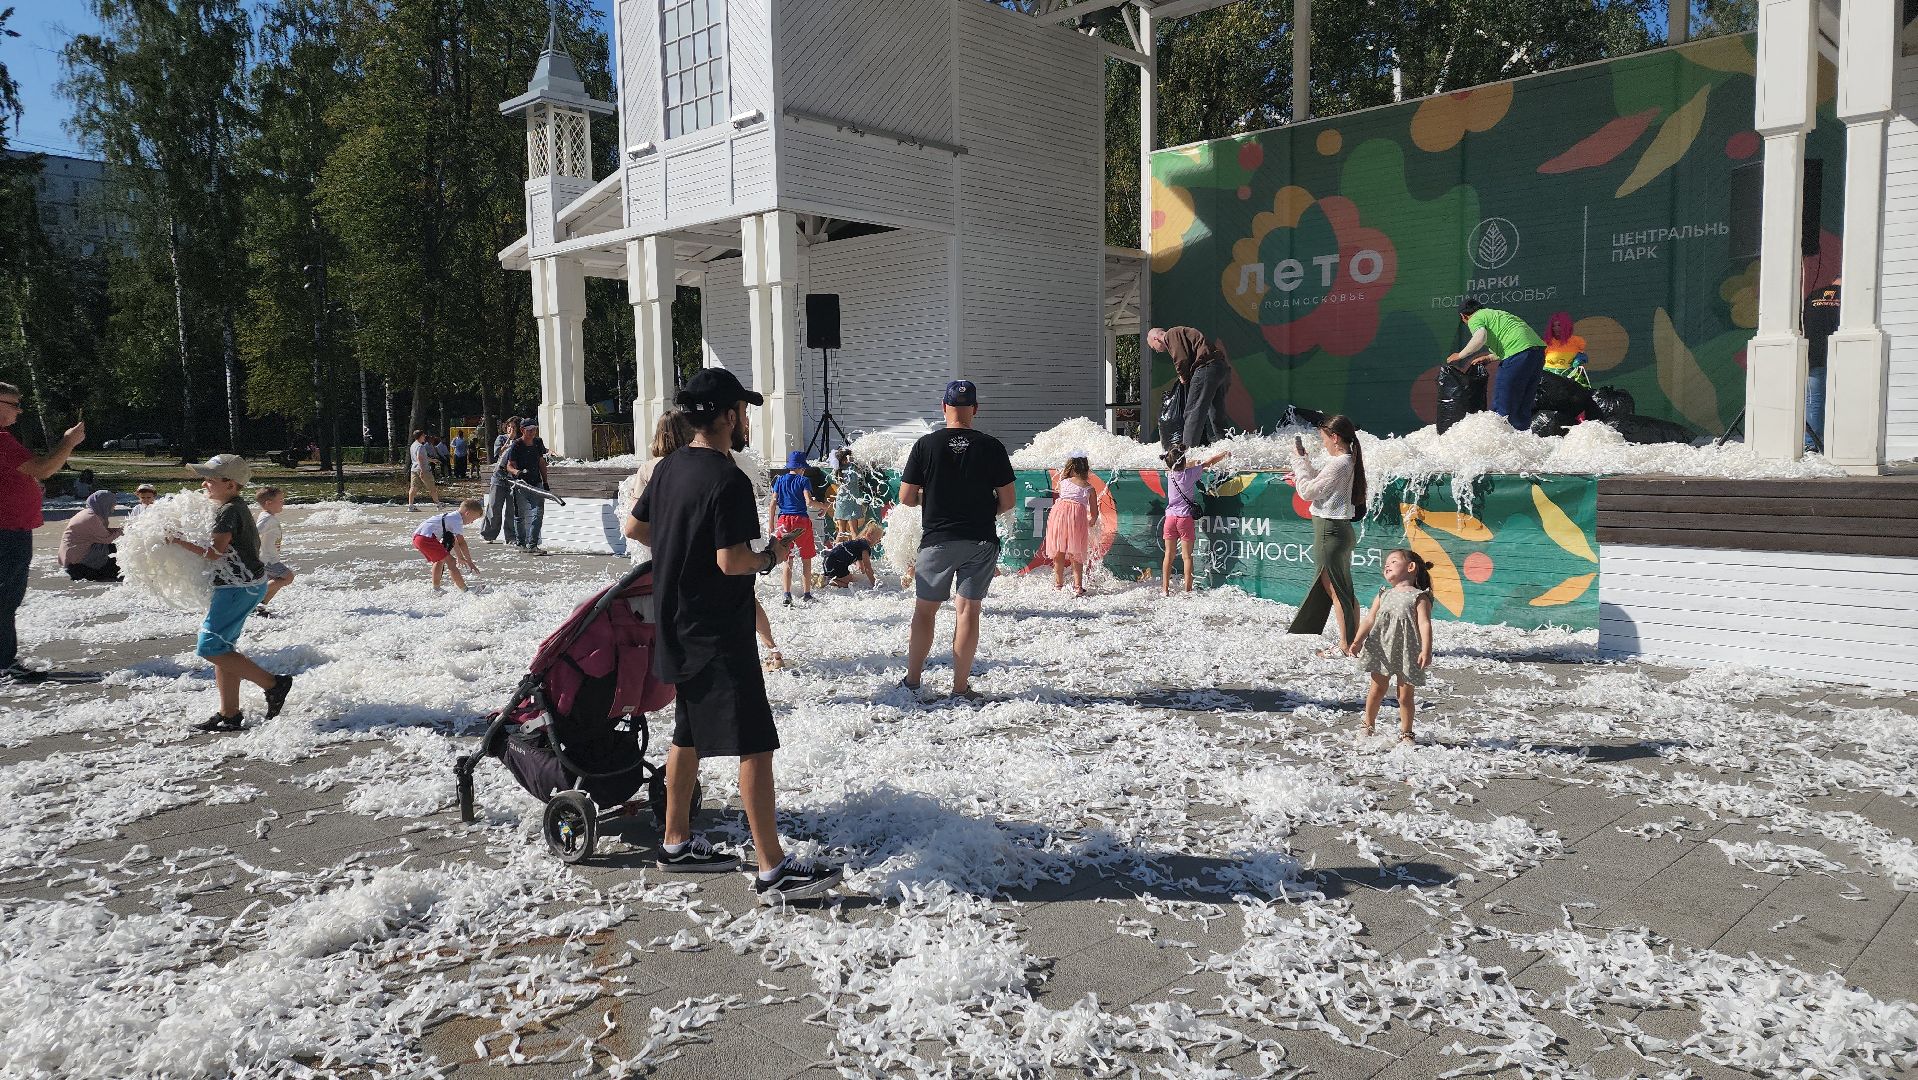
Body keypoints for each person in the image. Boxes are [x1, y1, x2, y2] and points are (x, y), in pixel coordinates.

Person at [629, 366, 842, 903]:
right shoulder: (728, 479)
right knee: (755, 743)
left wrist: (683, 538)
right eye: (742, 411)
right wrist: (773, 555)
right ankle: (773, 870)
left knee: (688, 734)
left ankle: (675, 841)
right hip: (719, 629)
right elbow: (732, 561)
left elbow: (635, 528)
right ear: (726, 416)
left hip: (674, 620)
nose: (745, 419)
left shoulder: (670, 467)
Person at [624, 411, 786, 670]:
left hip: (670, 562)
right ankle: (773, 649)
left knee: (668, 611)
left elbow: (632, 527)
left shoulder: (654, 469)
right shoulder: (720, 465)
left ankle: (664, 661)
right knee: (744, 601)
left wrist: (673, 544)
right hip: (725, 558)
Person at [899, 380, 1016, 703]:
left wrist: (935, 498)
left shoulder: (925, 445)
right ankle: (960, 687)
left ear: (943, 407)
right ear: (975, 409)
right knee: (968, 611)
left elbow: (906, 497)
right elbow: (1008, 501)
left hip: (938, 538)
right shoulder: (992, 446)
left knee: (925, 612)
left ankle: (912, 681)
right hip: (980, 539)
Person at [168, 455, 294, 732]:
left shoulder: (229, 511)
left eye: (211, 480)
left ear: (231, 484)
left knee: (210, 647)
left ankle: (274, 684)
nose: (205, 483)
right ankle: (229, 714)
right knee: (223, 649)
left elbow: (214, 553)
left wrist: (177, 540)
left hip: (239, 586)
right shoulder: (231, 506)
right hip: (240, 584)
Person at [0, 383, 85, 683]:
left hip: (11, 528)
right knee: (6, 597)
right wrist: (68, 442)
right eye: (13, 403)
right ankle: (4, 662)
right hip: (8, 531)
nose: (19, 410)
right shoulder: (2, 441)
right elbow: (45, 468)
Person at [1285, 415, 1367, 658]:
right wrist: (1304, 463)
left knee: (1338, 592)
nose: (1323, 444)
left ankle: (1346, 645)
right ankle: (1352, 641)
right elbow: (1320, 484)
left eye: (1324, 439)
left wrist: (1298, 463)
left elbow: (1308, 491)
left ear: (1335, 438)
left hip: (1329, 531)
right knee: (1344, 590)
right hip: (1338, 530)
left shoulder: (1339, 463)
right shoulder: (1348, 460)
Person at [1346, 549, 1435, 744]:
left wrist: (1426, 649)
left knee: (1404, 696)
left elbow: (1424, 624)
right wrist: (1358, 640)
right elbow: (1370, 619)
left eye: (1393, 561)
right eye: (1386, 563)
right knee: (1376, 690)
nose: (1387, 565)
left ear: (1411, 567)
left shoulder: (1419, 597)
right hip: (1381, 648)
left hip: (1407, 651)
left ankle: (1407, 733)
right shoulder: (1383, 594)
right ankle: (1367, 725)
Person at [1448, 299, 1546, 430]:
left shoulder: (1475, 317)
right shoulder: (1497, 314)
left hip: (1517, 354)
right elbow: (1513, 341)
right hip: (1537, 354)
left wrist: (1460, 355)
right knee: (1523, 402)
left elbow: (1479, 338)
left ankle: (1499, 437)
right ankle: (1521, 436)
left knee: (1503, 401)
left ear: (1463, 316)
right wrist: (1488, 358)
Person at [1147, 326, 1233, 452]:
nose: (1157, 351)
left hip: (1206, 367)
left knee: (1193, 412)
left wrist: (1183, 376)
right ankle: (1227, 448)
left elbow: (1181, 358)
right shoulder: (1181, 333)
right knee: (1216, 413)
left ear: (1156, 339)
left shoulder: (1171, 334)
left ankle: (1186, 452)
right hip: (1220, 368)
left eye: (1154, 348)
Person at [1160, 447, 1228, 597]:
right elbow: (1208, 463)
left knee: (1168, 555)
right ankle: (1187, 590)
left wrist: (1187, 463)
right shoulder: (1190, 474)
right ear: (1183, 462)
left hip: (1170, 518)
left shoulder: (1169, 474)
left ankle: (1164, 590)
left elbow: (1176, 466)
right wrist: (1224, 454)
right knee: (1187, 556)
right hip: (1185, 519)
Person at [769, 450, 824, 606]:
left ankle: (787, 594)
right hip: (801, 521)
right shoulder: (803, 480)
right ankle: (807, 594)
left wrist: (771, 526)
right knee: (806, 559)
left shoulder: (779, 480)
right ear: (802, 467)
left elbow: (773, 503)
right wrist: (824, 506)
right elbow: (809, 502)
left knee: (787, 559)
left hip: (783, 521)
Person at [1042, 451, 1100, 596]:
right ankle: (1078, 586)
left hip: (1058, 516)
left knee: (1058, 551)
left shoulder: (1063, 482)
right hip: (1076, 519)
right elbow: (1094, 512)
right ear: (1086, 468)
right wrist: (1092, 522)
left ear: (1071, 467)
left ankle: (1058, 584)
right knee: (1077, 553)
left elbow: (1063, 497)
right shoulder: (1089, 488)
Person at [1803, 277, 1841, 451]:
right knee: (1842, 400)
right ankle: (1840, 444)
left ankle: (1811, 445)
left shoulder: (1813, 296)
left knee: (1814, 401)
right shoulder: (1849, 296)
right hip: (1841, 356)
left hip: (1814, 355)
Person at [413, 499, 483, 591]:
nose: (472, 522)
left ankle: (436, 589)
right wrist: (469, 561)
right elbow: (461, 542)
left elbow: (454, 541)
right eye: (473, 519)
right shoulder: (457, 520)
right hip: (426, 539)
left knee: (440, 560)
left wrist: (460, 557)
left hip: (419, 537)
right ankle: (464, 590)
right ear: (467, 513)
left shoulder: (452, 517)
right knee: (451, 562)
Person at [503, 421, 551, 555]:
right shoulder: (517, 445)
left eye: (534, 430)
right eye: (529, 430)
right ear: (523, 430)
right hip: (521, 484)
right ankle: (521, 544)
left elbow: (541, 462)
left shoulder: (537, 443)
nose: (532, 433)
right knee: (520, 515)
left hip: (536, 483)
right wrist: (516, 472)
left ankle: (533, 545)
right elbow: (509, 465)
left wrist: (545, 482)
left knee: (538, 512)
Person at [59, 490, 122, 582]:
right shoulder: (92, 518)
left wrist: (118, 530)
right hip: (78, 564)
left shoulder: (88, 513)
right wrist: (122, 531)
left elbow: (101, 533)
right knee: (113, 547)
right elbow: (107, 538)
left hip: (71, 559)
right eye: (112, 505)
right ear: (105, 504)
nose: (113, 508)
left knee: (111, 547)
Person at [254, 486, 295, 615]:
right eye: (281, 500)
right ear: (268, 503)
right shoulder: (267, 518)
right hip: (267, 559)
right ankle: (252, 599)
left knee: (278, 581)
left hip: (270, 558)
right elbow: (255, 533)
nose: (283, 503)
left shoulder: (268, 516)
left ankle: (260, 606)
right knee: (288, 576)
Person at [481, 418, 523, 544]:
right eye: (509, 426)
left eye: (514, 427)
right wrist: (509, 439)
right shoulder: (501, 438)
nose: (511, 429)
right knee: (494, 507)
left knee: (511, 509)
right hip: (499, 477)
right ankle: (489, 534)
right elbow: (498, 453)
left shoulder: (521, 442)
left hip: (512, 480)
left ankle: (510, 537)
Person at [821, 523, 883, 589]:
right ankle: (830, 582)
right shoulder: (865, 547)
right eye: (877, 539)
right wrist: (875, 584)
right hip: (836, 564)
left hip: (828, 561)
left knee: (851, 578)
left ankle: (824, 577)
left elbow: (862, 567)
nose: (878, 542)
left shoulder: (858, 543)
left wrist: (862, 571)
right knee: (851, 584)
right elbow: (868, 568)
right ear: (869, 535)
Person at [1541, 312, 1591, 389]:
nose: (1556, 328)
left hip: (1571, 378)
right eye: (1553, 326)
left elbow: (1583, 356)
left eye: (1559, 325)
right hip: (1550, 379)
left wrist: (1579, 359)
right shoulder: (1546, 343)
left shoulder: (1576, 341)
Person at [831, 447, 864, 537]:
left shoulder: (837, 470)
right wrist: (854, 464)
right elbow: (856, 478)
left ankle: (836, 550)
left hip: (841, 502)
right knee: (854, 530)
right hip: (850, 503)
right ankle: (856, 550)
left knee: (841, 531)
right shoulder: (851, 470)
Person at [406, 430, 442, 511]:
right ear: (420, 436)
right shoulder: (420, 446)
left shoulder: (413, 445)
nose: (425, 436)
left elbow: (422, 457)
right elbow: (419, 458)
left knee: (413, 487)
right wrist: (422, 470)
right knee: (432, 487)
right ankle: (438, 504)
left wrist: (432, 460)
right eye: (423, 435)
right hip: (423, 469)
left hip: (414, 469)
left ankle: (410, 506)